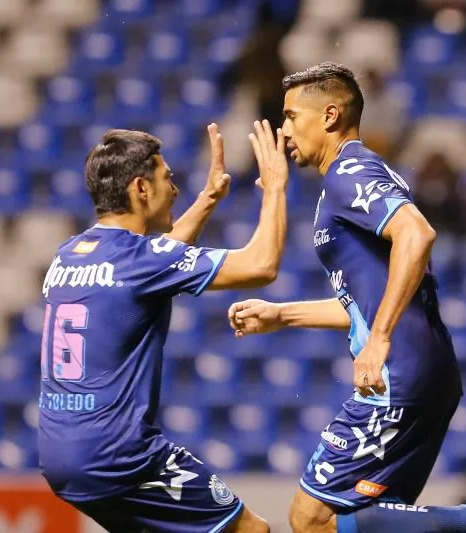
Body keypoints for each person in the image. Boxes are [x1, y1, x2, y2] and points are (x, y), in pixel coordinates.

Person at [228, 62, 466, 533]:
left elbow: (417, 233)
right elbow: (367, 303)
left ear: (328, 116)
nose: (284, 130)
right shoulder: (346, 179)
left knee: (312, 516)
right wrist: (281, 314)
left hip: (398, 375)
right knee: (360, 522)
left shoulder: (350, 169)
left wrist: (379, 339)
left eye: (290, 116)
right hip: (421, 370)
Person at [38, 121, 288, 533]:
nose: (174, 189)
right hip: (120, 456)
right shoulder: (142, 260)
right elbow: (262, 265)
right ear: (141, 188)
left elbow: (159, 258)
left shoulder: (69, 255)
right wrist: (276, 187)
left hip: (61, 457)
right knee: (251, 530)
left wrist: (209, 198)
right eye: (167, 179)